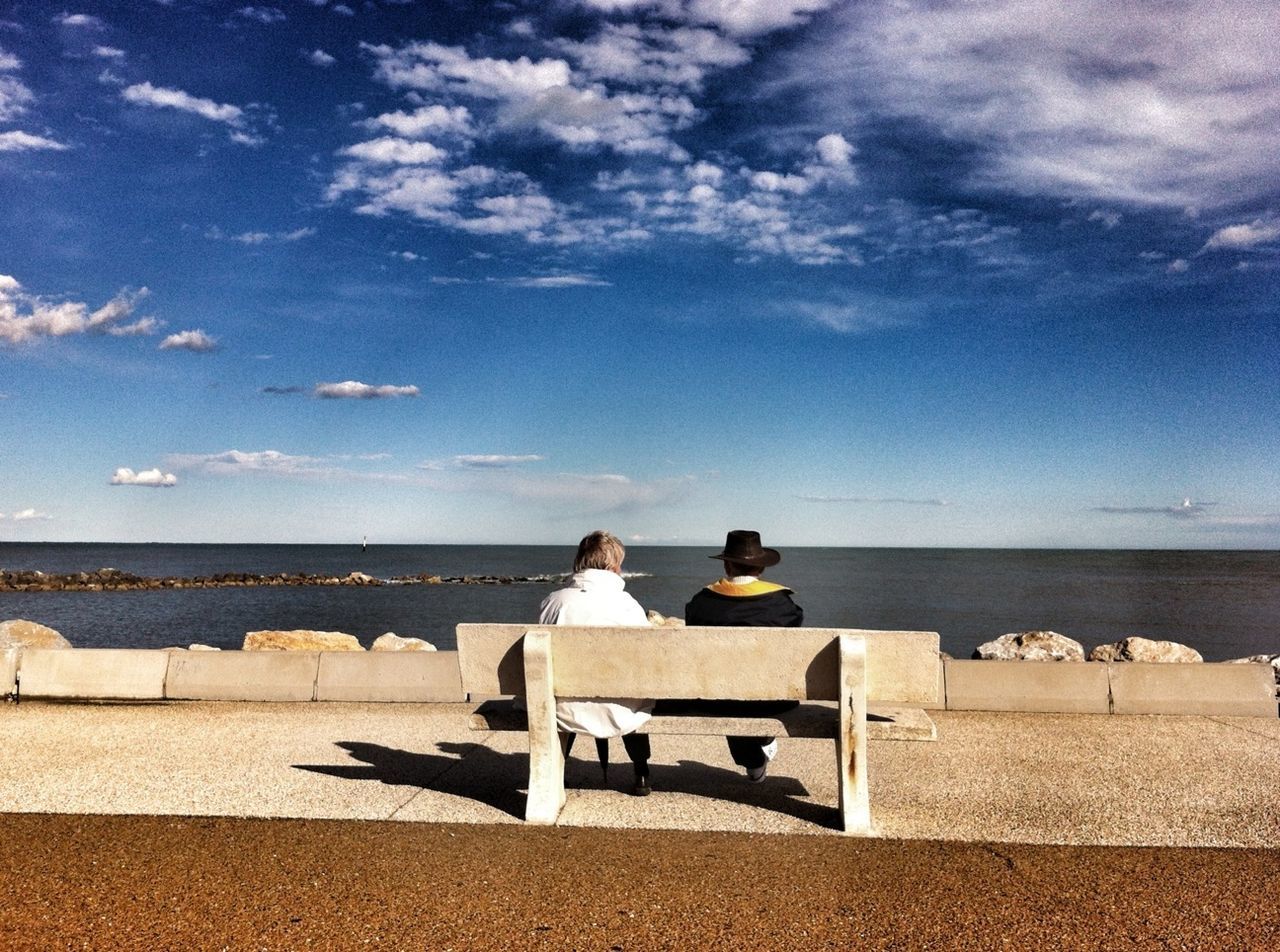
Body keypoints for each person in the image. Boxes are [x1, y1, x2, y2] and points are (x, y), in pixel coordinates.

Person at [538, 530, 655, 796]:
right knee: (632, 687)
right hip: (621, 706)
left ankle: (556, 770)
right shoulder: (628, 605)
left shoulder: (553, 602)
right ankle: (641, 771)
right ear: (614, 566)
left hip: (563, 705)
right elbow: (646, 660)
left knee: (564, 688)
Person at [684, 529, 803, 782]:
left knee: (727, 686)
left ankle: (752, 761)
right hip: (772, 699)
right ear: (760, 568)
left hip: (714, 697)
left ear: (726, 565)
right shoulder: (783, 605)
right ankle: (755, 758)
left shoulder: (700, 603)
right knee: (746, 686)